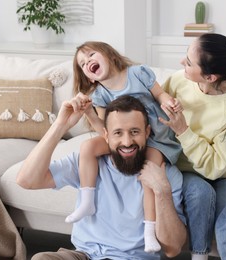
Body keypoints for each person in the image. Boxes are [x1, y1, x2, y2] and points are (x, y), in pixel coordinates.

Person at [16, 95, 187, 260]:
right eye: (118, 133)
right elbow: (27, 180)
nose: (127, 142)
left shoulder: (166, 175)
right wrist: (60, 125)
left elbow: (172, 249)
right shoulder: (88, 163)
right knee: (42, 258)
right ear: (106, 134)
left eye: (134, 132)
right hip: (85, 255)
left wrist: (162, 190)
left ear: (147, 132)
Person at [65, 41, 183, 253]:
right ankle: (87, 201)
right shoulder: (100, 95)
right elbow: (105, 131)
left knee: (150, 172)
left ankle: (149, 231)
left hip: (157, 139)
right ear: (89, 77)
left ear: (110, 55)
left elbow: (159, 94)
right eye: (83, 63)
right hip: (124, 139)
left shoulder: (138, 73)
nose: (88, 61)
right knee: (88, 147)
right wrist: (89, 113)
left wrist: (169, 102)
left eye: (91, 54)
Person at [160, 33, 226, 260]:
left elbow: (215, 167)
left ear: (211, 76)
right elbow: (151, 108)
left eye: (189, 62)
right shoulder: (178, 80)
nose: (182, 63)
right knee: (201, 193)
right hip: (189, 171)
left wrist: (183, 130)